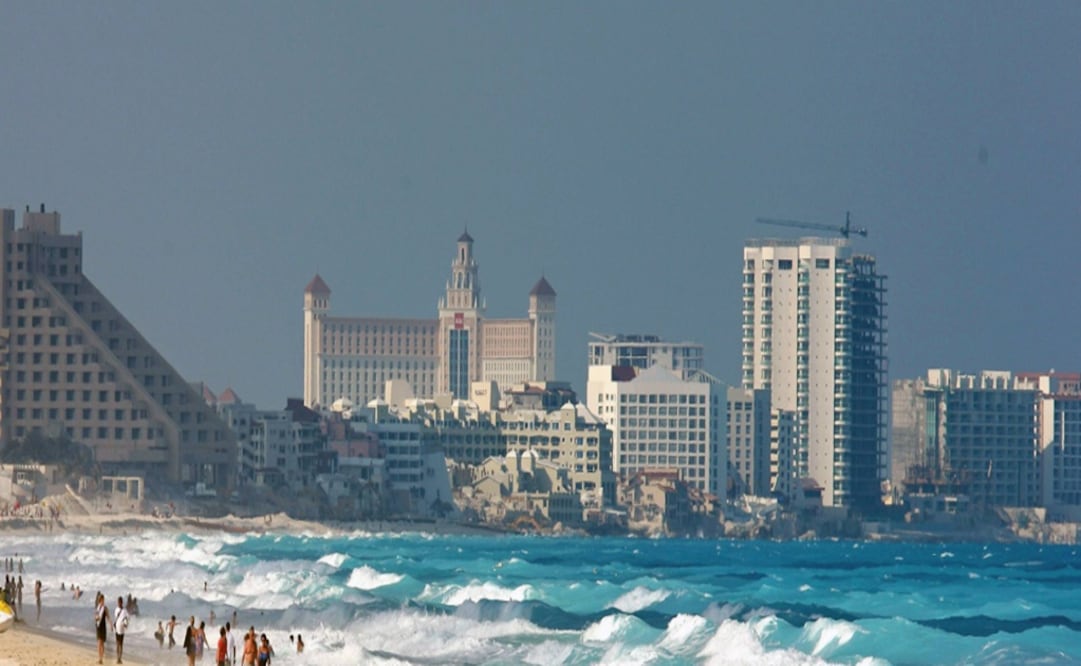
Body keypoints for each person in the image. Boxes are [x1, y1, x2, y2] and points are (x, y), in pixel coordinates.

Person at [94, 592, 111, 665]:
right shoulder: (98, 608)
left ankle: (101, 658)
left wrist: (111, 624)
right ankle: (100, 658)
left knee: (102, 643)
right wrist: (96, 618)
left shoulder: (105, 608)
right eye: (101, 600)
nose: (102, 601)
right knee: (99, 643)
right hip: (98, 626)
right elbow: (95, 617)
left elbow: (108, 617)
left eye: (103, 600)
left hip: (103, 627)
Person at [114, 596, 129, 664]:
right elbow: (116, 618)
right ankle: (118, 658)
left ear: (122, 602)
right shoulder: (116, 609)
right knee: (117, 644)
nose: (119, 603)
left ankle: (120, 658)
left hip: (122, 630)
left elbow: (127, 618)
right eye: (118, 602)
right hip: (117, 629)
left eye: (120, 602)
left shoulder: (125, 610)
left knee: (121, 644)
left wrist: (126, 624)